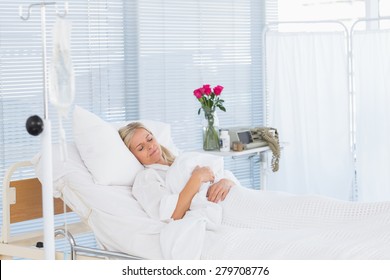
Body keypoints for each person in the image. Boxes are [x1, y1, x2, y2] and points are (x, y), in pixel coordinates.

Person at [119, 122, 237, 221]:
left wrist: (226, 182)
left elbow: (219, 172)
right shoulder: (146, 178)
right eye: (141, 148)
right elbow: (173, 215)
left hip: (232, 195)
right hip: (219, 209)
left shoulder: (180, 160)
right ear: (133, 155)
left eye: (149, 139)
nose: (150, 146)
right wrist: (197, 178)